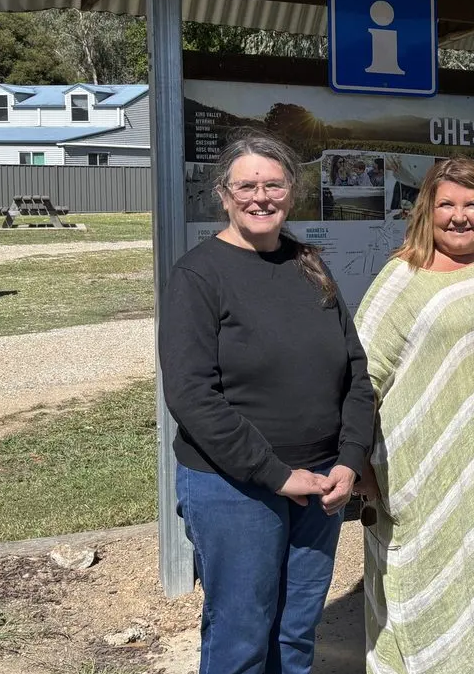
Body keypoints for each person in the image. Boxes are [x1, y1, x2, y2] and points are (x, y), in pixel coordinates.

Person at [159, 133, 374, 674]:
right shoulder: (198, 274)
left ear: (291, 192)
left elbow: (355, 370)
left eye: (273, 184)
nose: (261, 196)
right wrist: (275, 474)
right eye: (246, 185)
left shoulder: (309, 265)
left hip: (323, 482)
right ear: (224, 195)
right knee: (241, 633)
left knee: (296, 632)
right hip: (235, 486)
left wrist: (349, 459)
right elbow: (191, 393)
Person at [355, 157, 474, 674]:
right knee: (433, 582)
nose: (459, 216)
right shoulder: (401, 279)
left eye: (472, 204)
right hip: (428, 474)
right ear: (427, 210)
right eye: (447, 204)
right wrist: (360, 468)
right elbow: (358, 382)